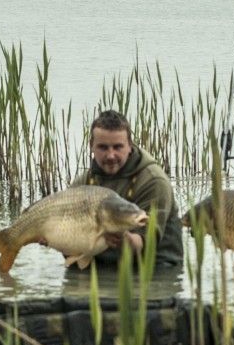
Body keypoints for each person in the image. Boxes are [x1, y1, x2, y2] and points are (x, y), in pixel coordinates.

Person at [70, 109, 182, 271]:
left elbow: (143, 244)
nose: (110, 155)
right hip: (99, 267)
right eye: (103, 147)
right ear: (91, 146)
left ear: (130, 146)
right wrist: (52, 238)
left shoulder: (154, 181)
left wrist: (122, 237)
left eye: (117, 147)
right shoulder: (84, 182)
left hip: (154, 270)